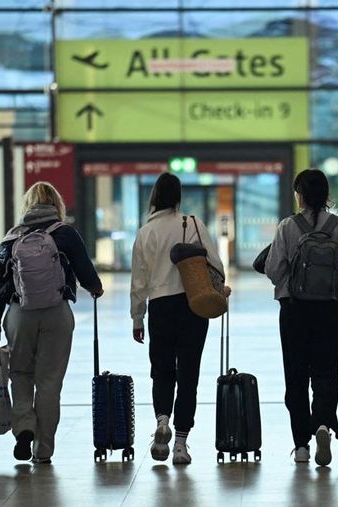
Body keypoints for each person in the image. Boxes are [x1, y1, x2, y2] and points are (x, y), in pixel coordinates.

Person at [0, 182, 103, 464]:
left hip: (18, 313)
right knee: (49, 383)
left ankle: (24, 428)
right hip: (56, 313)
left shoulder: (11, 238)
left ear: (28, 204)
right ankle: (43, 450)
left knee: (21, 374)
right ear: (56, 205)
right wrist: (95, 288)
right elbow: (85, 270)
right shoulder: (65, 233)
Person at [264, 169, 338, 467]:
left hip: (294, 310)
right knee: (326, 372)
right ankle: (323, 423)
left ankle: (301, 446)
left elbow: (274, 271)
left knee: (296, 376)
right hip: (328, 310)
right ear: (326, 195)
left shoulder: (287, 226)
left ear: (299, 194)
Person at [130, 172, 230, 465]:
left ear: (154, 198)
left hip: (160, 306)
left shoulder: (145, 233)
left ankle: (163, 421)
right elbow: (216, 263)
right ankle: (181, 445)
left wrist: (138, 317)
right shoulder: (194, 224)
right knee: (189, 373)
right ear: (178, 197)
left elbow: (139, 282)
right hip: (193, 304)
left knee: (161, 370)